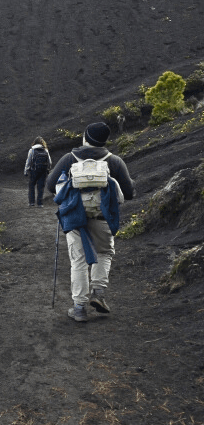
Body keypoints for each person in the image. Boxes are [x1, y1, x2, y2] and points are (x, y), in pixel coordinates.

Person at [46, 122, 135, 323]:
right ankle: (99, 293)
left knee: (78, 260)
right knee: (104, 252)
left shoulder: (69, 158)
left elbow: (50, 185)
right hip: (102, 216)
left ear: (85, 137)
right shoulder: (114, 161)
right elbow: (129, 193)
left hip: (74, 217)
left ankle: (79, 308)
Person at [24, 136, 52, 207]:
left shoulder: (32, 150)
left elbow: (28, 161)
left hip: (34, 170)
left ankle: (31, 203)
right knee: (40, 187)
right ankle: (40, 203)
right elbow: (50, 162)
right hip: (43, 171)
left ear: (34, 142)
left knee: (31, 186)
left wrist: (26, 170)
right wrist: (48, 169)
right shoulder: (45, 150)